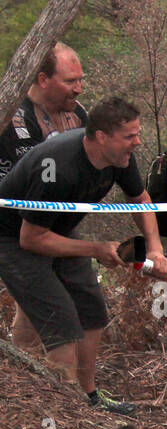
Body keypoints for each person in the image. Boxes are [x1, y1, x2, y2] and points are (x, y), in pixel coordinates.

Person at [0, 97, 167, 413]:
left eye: (138, 134)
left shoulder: (120, 158)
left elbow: (141, 200)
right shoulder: (57, 167)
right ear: (102, 137)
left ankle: (88, 397)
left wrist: (156, 249)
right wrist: (96, 249)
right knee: (61, 325)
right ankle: (62, 414)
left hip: (59, 232)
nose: (137, 142)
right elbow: (31, 238)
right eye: (129, 136)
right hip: (13, 238)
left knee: (92, 310)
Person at [0, 42, 87, 355]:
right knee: (52, 314)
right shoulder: (12, 116)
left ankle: (28, 370)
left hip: (55, 227)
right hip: (13, 231)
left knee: (39, 306)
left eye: (80, 79)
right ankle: (37, 380)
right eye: (69, 81)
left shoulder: (78, 115)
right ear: (41, 79)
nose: (78, 89)